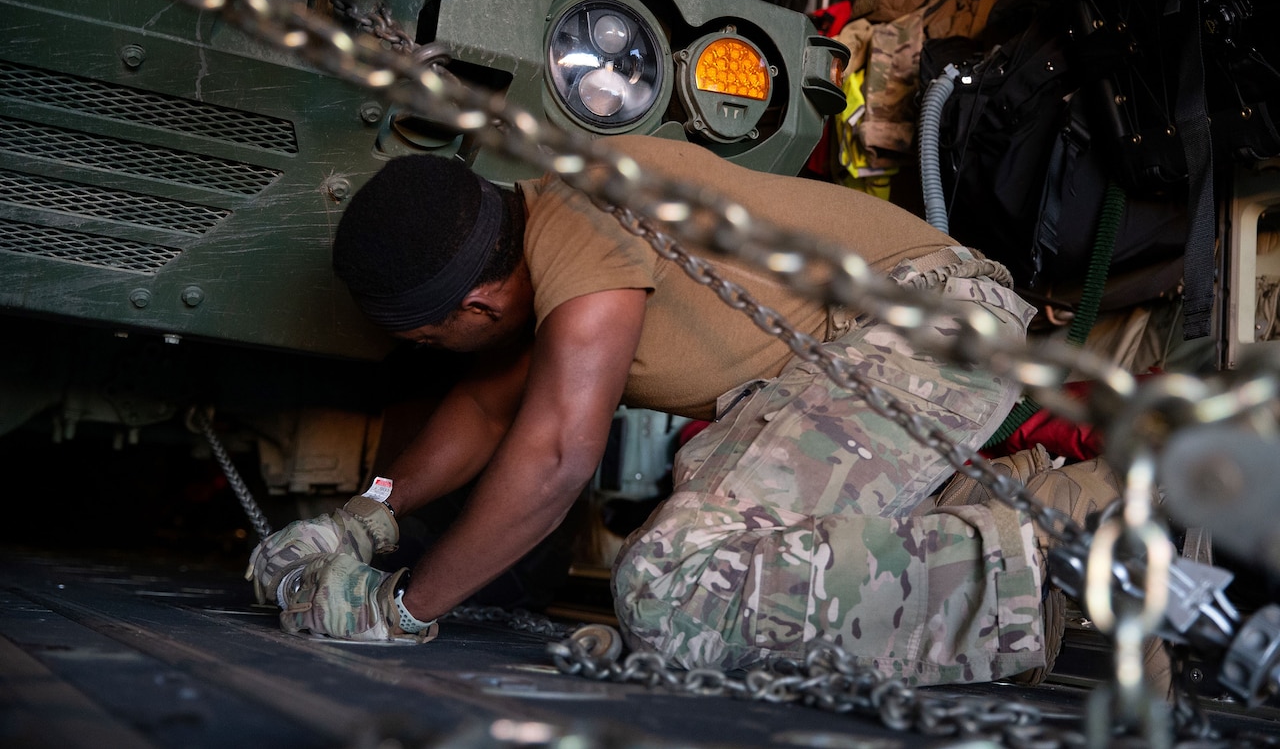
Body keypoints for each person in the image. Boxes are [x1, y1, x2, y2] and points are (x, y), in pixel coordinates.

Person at [247, 134, 1124, 686]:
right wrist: (366, 514)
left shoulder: (588, 208)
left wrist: (399, 606)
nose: (437, 358)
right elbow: (480, 410)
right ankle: (1036, 507)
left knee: (675, 583)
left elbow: (556, 461)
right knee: (747, 553)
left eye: (429, 340)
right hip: (844, 364)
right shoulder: (544, 244)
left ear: (475, 306)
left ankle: (1078, 539)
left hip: (923, 324)